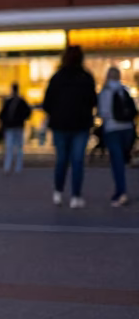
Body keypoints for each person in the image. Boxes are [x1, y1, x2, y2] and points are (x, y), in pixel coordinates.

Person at [41, 45, 97, 209]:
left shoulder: (57, 78)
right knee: (78, 161)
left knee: (61, 160)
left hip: (60, 125)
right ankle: (76, 196)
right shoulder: (86, 77)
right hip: (81, 125)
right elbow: (93, 101)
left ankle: (58, 193)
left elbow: (46, 103)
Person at [97, 66, 134, 207]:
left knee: (117, 163)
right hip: (127, 129)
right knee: (123, 160)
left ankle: (121, 191)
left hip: (112, 129)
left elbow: (103, 113)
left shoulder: (105, 92)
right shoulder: (124, 90)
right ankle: (122, 189)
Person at [0, 84, 31, 174]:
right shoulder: (21, 101)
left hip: (10, 127)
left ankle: (7, 167)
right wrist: (22, 119)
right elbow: (28, 112)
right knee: (19, 147)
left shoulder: (8, 101)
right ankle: (18, 167)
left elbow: (2, 114)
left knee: (9, 147)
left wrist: (4, 123)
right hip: (18, 126)